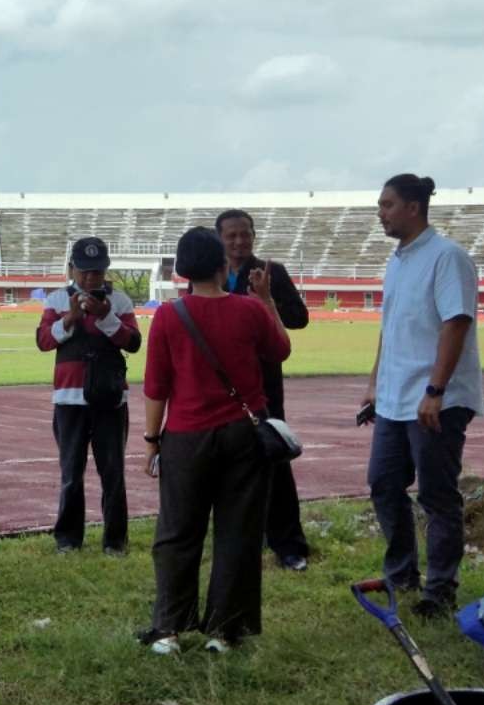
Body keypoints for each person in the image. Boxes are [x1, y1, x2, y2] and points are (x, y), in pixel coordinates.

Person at [137, 227, 291, 655]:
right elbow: (281, 350)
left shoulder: (168, 316)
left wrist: (152, 441)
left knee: (176, 532)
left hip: (186, 435)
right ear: (224, 266)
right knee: (237, 532)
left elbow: (156, 386)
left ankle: (168, 628)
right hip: (244, 434)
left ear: (182, 271)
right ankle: (224, 630)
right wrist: (266, 300)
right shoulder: (249, 311)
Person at [362, 174, 484, 620]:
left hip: (436, 401)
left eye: (387, 205)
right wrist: (375, 382)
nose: (381, 213)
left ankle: (440, 589)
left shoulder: (447, 258)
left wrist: (435, 390)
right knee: (383, 482)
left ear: (413, 207)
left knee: (436, 495)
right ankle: (401, 574)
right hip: (395, 398)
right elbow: (390, 327)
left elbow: (456, 323)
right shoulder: (396, 261)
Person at [217, 208, 312, 572]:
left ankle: (289, 545)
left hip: (264, 383)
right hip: (223, 385)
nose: (240, 242)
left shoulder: (271, 273)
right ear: (220, 240)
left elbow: (300, 319)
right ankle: (241, 541)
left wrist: (268, 298)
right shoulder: (211, 274)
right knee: (229, 464)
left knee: (274, 457)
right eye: (231, 236)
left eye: (245, 234)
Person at [36, 236, 142, 554]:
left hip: (110, 399)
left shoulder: (119, 301)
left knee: (113, 472)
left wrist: (104, 316)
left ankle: (115, 541)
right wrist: (70, 318)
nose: (89, 278)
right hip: (69, 399)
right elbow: (43, 341)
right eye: (83, 271)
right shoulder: (56, 300)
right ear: (72, 268)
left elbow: (133, 342)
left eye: (96, 272)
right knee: (71, 472)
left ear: (105, 270)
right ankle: (68, 539)